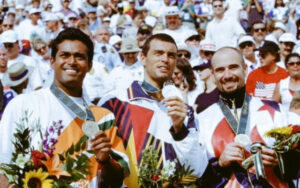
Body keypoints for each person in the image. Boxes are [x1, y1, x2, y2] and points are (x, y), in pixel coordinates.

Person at [0, 28, 128, 187]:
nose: (72, 62)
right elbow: (3, 169)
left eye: (79, 57)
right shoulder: (22, 105)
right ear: (52, 62)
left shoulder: (103, 117)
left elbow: (116, 181)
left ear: (89, 65)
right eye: (65, 55)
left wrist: (106, 160)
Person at [98, 33, 208, 187]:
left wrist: (180, 130)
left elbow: (197, 170)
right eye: (158, 53)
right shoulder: (115, 101)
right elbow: (99, 161)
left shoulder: (184, 111)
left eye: (171, 55)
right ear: (142, 58)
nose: (165, 59)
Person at [198, 47, 290, 187]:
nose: (227, 75)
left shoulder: (275, 110)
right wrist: (220, 164)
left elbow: (295, 167)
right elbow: (197, 176)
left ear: (245, 69)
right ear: (212, 74)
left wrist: (280, 161)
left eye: (233, 67)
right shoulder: (202, 119)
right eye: (220, 70)